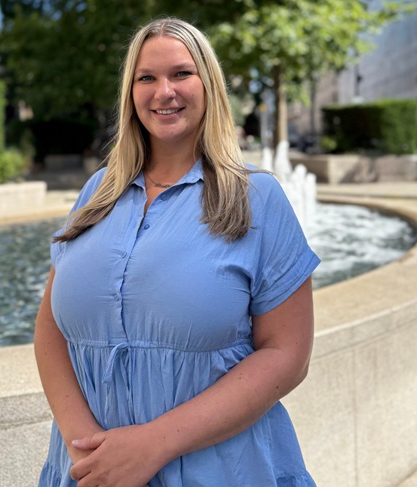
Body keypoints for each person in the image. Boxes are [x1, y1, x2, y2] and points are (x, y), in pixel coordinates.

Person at [34, 17, 320, 487]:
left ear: (209, 85)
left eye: (182, 74)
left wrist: (151, 445)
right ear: (130, 92)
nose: (163, 91)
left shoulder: (257, 197)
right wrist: (86, 447)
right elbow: (50, 328)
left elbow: (288, 354)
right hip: (88, 470)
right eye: (146, 77)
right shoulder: (96, 192)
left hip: (223, 472)